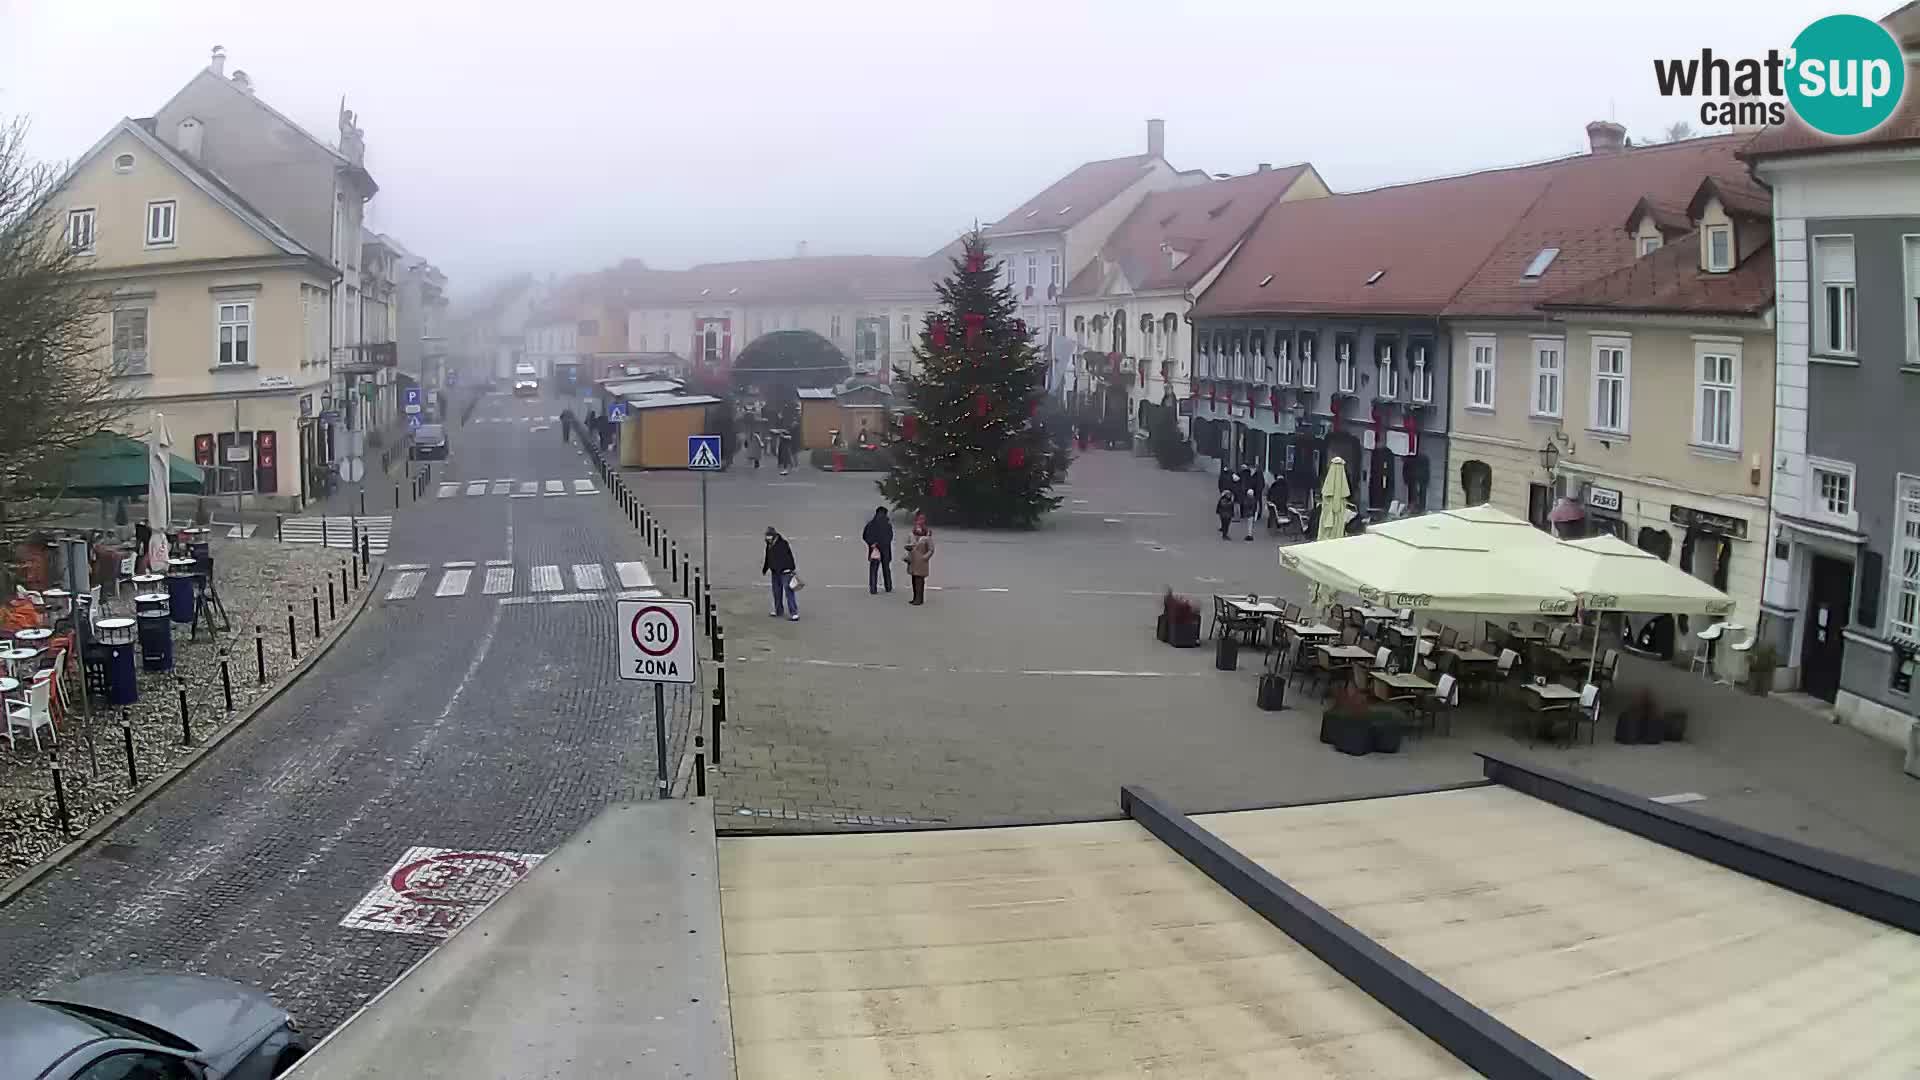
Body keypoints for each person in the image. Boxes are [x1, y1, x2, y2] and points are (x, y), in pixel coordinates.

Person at [762, 526, 799, 620]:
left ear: (774, 536)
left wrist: (791, 569)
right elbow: (768, 557)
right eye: (767, 536)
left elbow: (789, 557)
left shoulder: (783, 544)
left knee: (789, 592)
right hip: (775, 572)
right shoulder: (769, 544)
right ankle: (778, 611)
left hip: (785, 571)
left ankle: (794, 613)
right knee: (776, 592)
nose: (768, 538)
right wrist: (765, 569)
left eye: (769, 536)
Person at [861, 506, 895, 594]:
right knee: (886, 568)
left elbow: (865, 536)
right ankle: (888, 586)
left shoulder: (870, 524)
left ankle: (873, 588)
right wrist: (883, 544)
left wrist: (872, 543)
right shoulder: (887, 525)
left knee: (873, 569)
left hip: (874, 549)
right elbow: (890, 537)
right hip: (885, 549)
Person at [905, 514, 935, 605]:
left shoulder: (927, 535)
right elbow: (908, 544)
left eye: (921, 520)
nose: (919, 522)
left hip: (921, 562)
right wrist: (908, 548)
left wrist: (925, 557)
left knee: (919, 580)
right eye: (918, 520)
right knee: (914, 580)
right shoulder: (911, 534)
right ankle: (915, 598)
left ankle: (919, 599)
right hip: (913, 560)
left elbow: (931, 549)